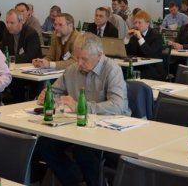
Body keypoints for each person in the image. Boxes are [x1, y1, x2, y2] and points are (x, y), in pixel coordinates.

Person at [35, 33, 130, 186]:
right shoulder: (72, 69)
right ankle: (75, 181)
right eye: (77, 57)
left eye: (84, 59)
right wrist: (47, 96)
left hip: (109, 127)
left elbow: (117, 106)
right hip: (78, 125)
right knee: (44, 144)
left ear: (99, 55)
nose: (79, 63)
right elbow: (55, 91)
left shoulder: (112, 70)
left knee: (83, 150)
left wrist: (82, 106)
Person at [124, 10, 164, 80]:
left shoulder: (156, 36)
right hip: (137, 66)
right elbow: (127, 53)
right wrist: (127, 38)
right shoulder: (134, 36)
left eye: (139, 22)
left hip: (152, 67)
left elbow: (150, 54)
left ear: (147, 24)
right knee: (121, 70)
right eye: (135, 23)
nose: (136, 25)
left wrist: (140, 38)